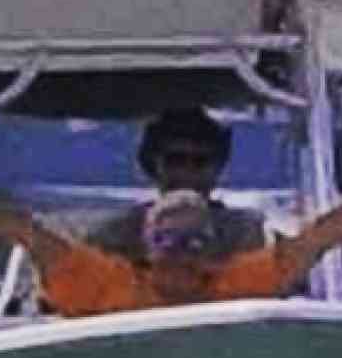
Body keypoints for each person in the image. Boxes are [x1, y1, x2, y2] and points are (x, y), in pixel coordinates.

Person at [0, 150, 342, 318]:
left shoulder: (237, 288)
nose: (182, 255)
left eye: (195, 242)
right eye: (170, 242)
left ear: (214, 247)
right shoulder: (102, 282)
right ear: (147, 246)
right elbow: (25, 232)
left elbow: (320, 238)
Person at [87, 106, 266, 260]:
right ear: (152, 165)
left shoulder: (244, 235)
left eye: (200, 162)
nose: (187, 174)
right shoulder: (114, 236)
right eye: (175, 161)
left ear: (218, 168)